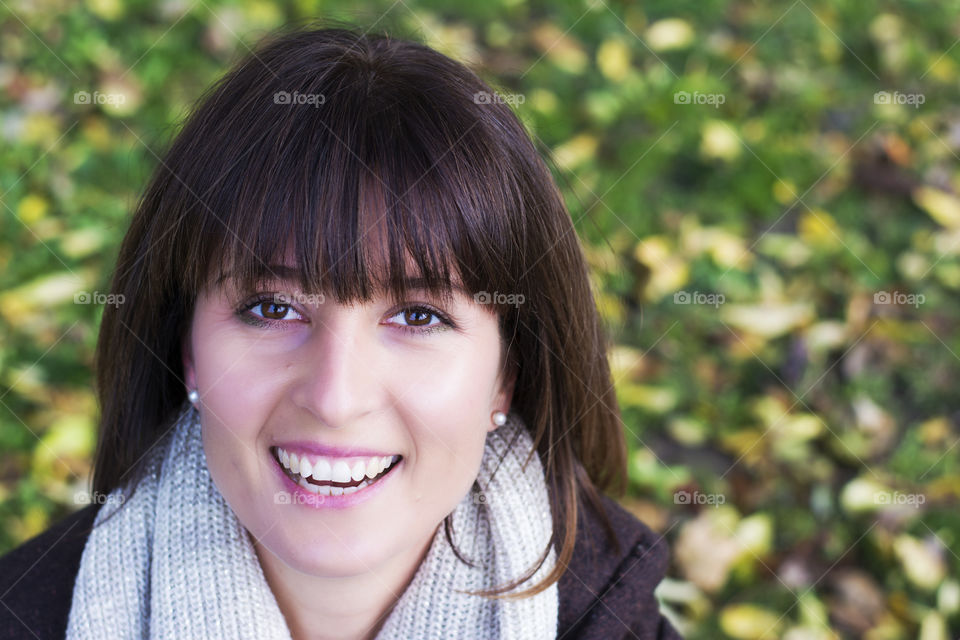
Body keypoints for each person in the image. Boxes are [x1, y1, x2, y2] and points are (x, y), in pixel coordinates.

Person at [0, 24, 682, 640]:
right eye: (272, 308)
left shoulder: (612, 614)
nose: (335, 397)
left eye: (418, 316)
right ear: (188, 349)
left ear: (508, 371)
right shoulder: (27, 612)